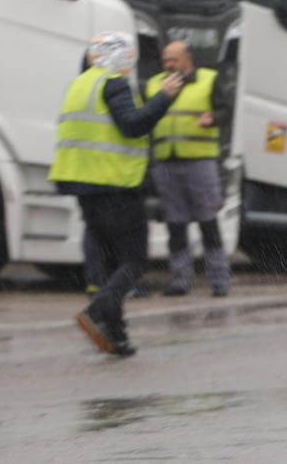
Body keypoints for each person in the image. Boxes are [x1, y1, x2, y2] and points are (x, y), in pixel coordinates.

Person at [50, 32, 183, 356]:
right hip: (116, 185)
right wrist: (163, 98)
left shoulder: (79, 84)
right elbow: (133, 124)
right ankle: (99, 311)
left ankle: (115, 334)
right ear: (121, 57)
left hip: (84, 185)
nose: (130, 64)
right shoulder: (112, 83)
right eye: (129, 57)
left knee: (111, 264)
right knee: (135, 262)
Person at [145, 41, 232, 297]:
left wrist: (213, 118)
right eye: (165, 60)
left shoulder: (209, 80)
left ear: (188, 59)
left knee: (208, 221)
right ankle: (180, 279)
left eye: (173, 60)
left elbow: (226, 110)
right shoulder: (154, 85)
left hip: (200, 162)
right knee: (175, 223)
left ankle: (219, 279)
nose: (169, 65)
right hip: (166, 164)